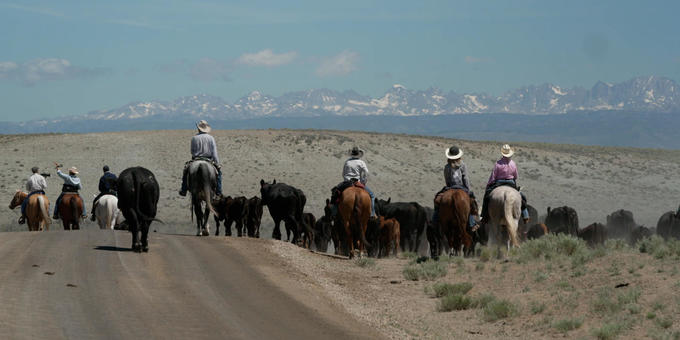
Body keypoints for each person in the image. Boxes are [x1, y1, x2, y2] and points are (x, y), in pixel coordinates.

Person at [432, 146, 479, 231]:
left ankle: (435, 220)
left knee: (437, 200)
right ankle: (472, 223)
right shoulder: (463, 165)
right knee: (471, 202)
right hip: (462, 187)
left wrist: (449, 188)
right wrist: (468, 190)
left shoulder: (447, 167)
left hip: (450, 187)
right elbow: (465, 178)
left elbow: (447, 180)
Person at [480, 144, 529, 226]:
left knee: (486, 198)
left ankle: (484, 216)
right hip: (511, 183)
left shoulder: (498, 164)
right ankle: (525, 215)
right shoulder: (513, 163)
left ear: (502, 154)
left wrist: (488, 186)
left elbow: (493, 177)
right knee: (522, 197)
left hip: (498, 183)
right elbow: (516, 176)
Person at [179, 120, 222, 197]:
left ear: (198, 129)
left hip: (196, 159)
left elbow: (192, 151)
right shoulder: (211, 138)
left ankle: (183, 189)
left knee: (186, 171)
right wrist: (217, 164)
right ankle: (218, 191)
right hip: (208, 159)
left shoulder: (194, 138)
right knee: (219, 173)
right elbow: (214, 153)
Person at [331, 146, 376, 218]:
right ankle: (372, 213)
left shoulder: (347, 162)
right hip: (357, 183)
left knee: (335, 194)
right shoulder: (361, 162)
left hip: (347, 183)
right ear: (358, 154)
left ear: (351, 154)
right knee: (372, 195)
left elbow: (343, 173)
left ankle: (334, 213)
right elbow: (366, 173)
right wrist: (363, 182)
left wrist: (346, 179)